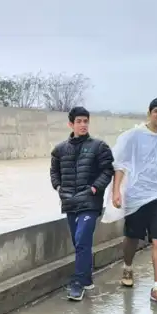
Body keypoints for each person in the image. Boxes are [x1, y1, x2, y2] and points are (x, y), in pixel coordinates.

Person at [110, 97, 157, 306]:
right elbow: (120, 164)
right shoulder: (133, 136)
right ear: (149, 113)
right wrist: (116, 191)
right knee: (132, 236)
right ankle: (127, 266)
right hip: (137, 194)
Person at [50, 106, 115, 301]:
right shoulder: (60, 149)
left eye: (85, 121)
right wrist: (58, 187)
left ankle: (77, 283)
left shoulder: (99, 146)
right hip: (70, 202)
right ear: (71, 124)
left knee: (81, 239)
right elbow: (54, 171)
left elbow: (108, 170)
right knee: (79, 243)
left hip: (90, 202)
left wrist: (95, 188)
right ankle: (86, 279)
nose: (83, 125)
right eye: (79, 121)